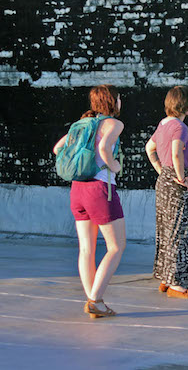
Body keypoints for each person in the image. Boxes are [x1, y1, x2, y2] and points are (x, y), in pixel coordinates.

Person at [53, 85, 125, 318]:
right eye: (119, 97)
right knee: (116, 246)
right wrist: (115, 166)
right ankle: (95, 300)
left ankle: (95, 300)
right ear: (113, 101)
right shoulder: (114, 124)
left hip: (78, 189)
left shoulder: (80, 124)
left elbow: (57, 149)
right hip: (100, 190)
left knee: (87, 248)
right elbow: (104, 148)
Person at [145, 86, 188, 298]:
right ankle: (177, 285)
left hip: (164, 181)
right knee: (181, 232)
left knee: (167, 230)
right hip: (177, 183)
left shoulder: (163, 123)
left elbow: (150, 148)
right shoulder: (180, 127)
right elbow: (177, 153)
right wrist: (181, 178)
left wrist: (162, 171)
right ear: (184, 104)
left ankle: (166, 278)